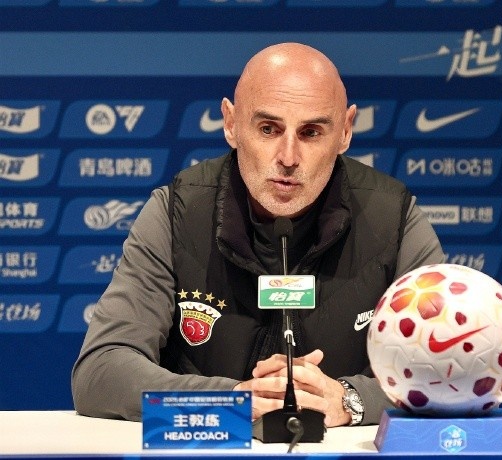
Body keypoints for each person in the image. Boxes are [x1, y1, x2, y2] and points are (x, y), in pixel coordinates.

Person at [71, 42, 444, 427]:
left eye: (311, 132)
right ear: (231, 123)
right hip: (211, 449)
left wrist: (352, 400)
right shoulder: (177, 213)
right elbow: (101, 371)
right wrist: (228, 401)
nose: (288, 157)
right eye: (268, 129)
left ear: (345, 131)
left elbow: (447, 371)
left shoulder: (393, 219)